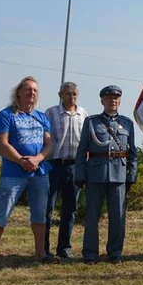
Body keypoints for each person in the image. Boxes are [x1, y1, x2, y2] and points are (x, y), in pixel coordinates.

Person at [0, 76, 56, 271]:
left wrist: (37, 159)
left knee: (40, 215)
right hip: (13, 173)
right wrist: (21, 161)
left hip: (39, 172)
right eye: (28, 89)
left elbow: (49, 144)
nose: (31, 93)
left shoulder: (42, 117)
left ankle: (40, 253)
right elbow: (2, 144)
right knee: (2, 214)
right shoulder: (6, 115)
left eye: (35, 91)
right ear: (18, 92)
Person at [74, 85, 138, 264]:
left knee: (118, 218)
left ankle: (115, 253)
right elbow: (82, 151)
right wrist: (80, 174)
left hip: (119, 176)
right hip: (95, 174)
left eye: (116, 98)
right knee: (92, 217)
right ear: (102, 100)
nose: (113, 101)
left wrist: (131, 174)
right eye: (109, 98)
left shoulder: (127, 123)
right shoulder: (92, 122)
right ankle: (90, 254)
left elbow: (132, 152)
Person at [44, 81, 87, 259]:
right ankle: (44, 248)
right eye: (68, 94)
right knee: (48, 208)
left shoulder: (83, 114)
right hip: (53, 165)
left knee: (70, 209)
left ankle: (64, 248)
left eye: (74, 94)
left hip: (74, 166)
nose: (71, 97)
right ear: (60, 95)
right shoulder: (51, 113)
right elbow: (45, 138)